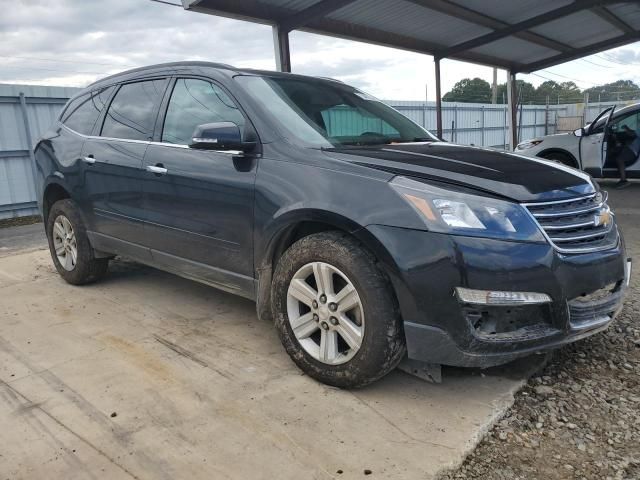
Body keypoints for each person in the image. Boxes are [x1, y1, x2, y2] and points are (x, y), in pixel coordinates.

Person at [611, 124, 640, 189]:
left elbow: (632, 134)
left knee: (619, 159)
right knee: (616, 148)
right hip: (630, 147)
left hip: (633, 150)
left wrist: (626, 128)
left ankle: (623, 180)